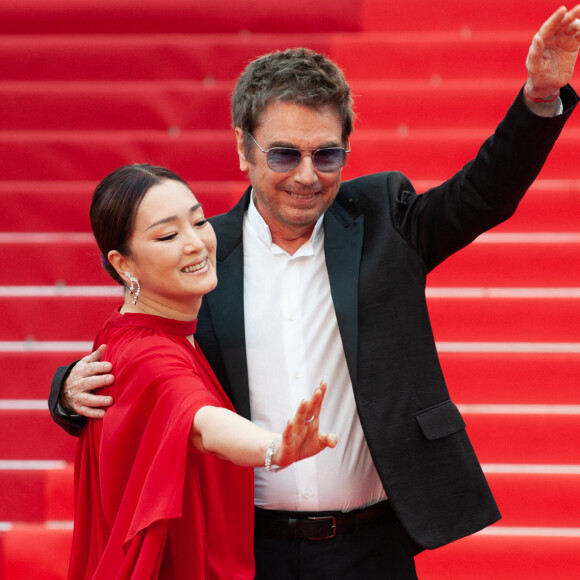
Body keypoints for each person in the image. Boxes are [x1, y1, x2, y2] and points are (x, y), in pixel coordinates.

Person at [50, 6, 580, 579]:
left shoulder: (383, 218)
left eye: (326, 154)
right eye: (283, 154)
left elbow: (484, 194)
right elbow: (144, 344)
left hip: (374, 544)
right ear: (243, 149)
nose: (307, 175)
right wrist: (67, 390)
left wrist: (540, 95)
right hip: (248, 550)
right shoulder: (204, 253)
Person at [64, 164, 337, 579]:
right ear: (123, 264)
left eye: (198, 221)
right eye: (168, 235)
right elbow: (200, 421)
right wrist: (275, 449)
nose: (196, 243)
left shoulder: (131, 327)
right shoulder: (149, 356)